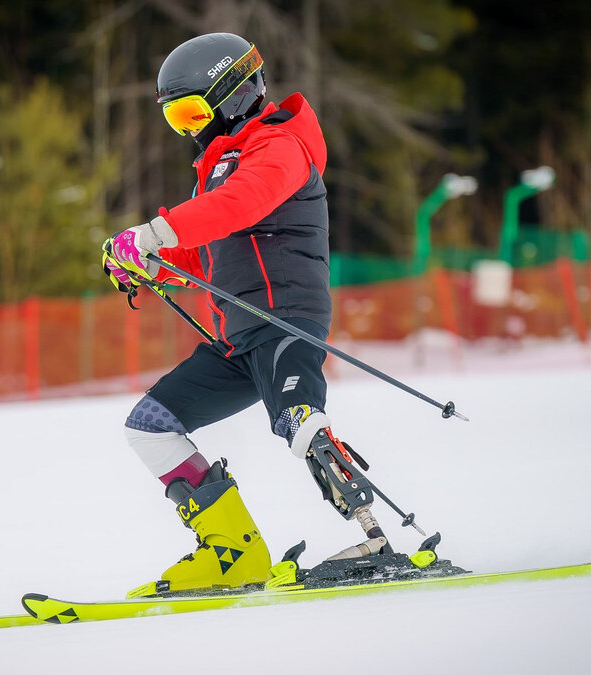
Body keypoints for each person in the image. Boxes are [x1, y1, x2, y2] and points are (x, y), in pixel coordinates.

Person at [102, 32, 387, 597]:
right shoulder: (216, 166)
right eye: (174, 118)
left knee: (299, 420)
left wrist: (152, 233)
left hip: (285, 320)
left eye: (190, 112)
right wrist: (150, 261)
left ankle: (378, 540)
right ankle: (233, 553)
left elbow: (239, 207)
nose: (187, 128)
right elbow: (202, 246)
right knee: (151, 427)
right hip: (237, 339)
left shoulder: (280, 148)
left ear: (232, 93)